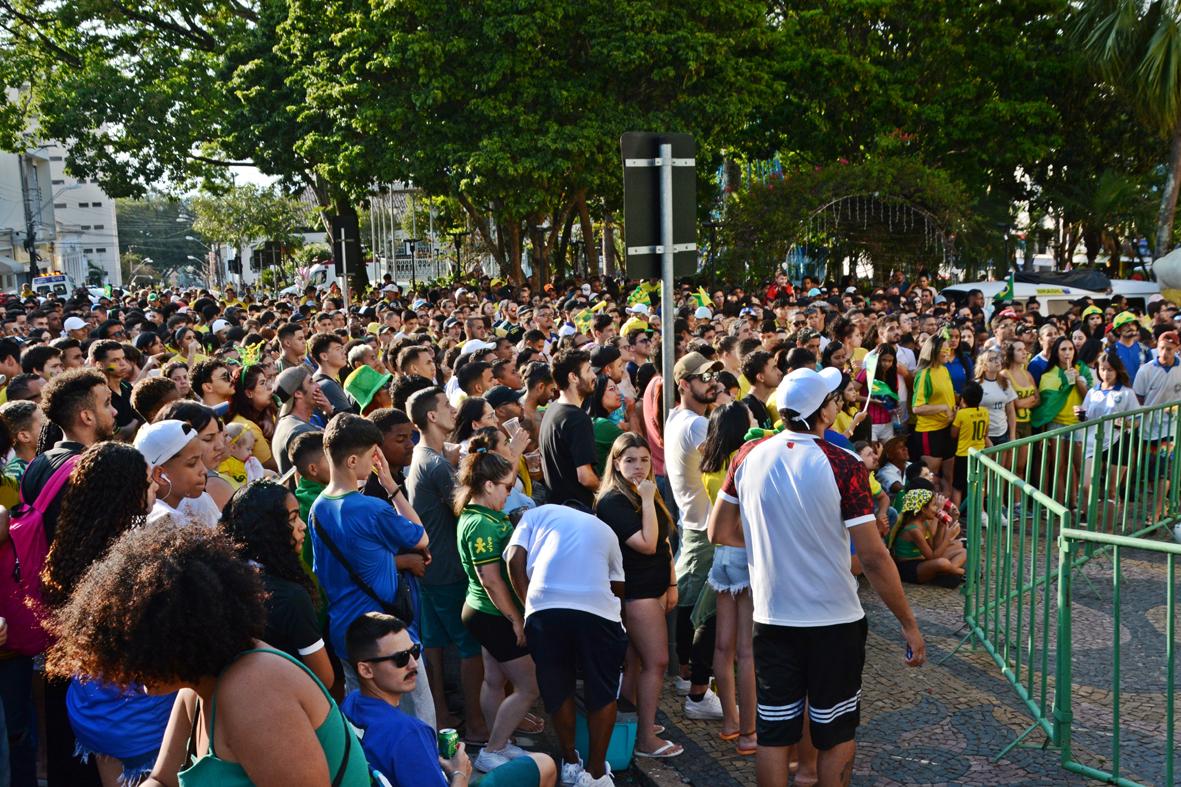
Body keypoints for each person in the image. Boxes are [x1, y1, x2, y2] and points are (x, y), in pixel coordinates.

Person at [708, 367, 925, 787]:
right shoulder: (843, 464)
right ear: (823, 413)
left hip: (772, 617)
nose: (837, 403)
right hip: (833, 620)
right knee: (835, 731)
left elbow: (719, 531)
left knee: (774, 732)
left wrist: (772, 545)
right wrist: (909, 625)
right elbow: (875, 557)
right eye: (832, 398)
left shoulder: (748, 455)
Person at [44, 524, 372, 786]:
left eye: (137, 650)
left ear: (180, 637)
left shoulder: (254, 690)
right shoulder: (197, 686)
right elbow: (162, 779)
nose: (126, 671)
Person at [37, 443, 174, 787]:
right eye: (147, 480)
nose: (156, 485)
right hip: (140, 719)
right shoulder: (135, 563)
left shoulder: (73, 550)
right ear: (125, 492)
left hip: (92, 710)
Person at [342, 613, 556, 787]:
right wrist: (459, 772)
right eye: (400, 658)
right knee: (545, 764)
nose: (414, 665)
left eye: (414, 651)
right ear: (366, 670)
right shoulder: (408, 733)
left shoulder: (350, 704)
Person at [309, 414, 431, 716]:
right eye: (371, 455)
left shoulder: (318, 508)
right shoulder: (372, 509)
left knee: (367, 718)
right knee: (418, 718)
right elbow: (421, 537)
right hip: (388, 637)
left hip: (345, 633)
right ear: (352, 460)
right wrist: (390, 485)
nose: (375, 461)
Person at [504, 505, 629, 787]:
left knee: (558, 686)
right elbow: (618, 587)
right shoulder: (605, 528)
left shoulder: (536, 513)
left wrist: (529, 608)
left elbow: (514, 559)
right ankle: (596, 774)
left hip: (544, 606)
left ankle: (571, 762)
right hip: (598, 609)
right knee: (603, 689)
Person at [404, 387, 489, 743]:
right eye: (445, 405)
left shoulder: (426, 455)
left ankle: (440, 714)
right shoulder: (435, 463)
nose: (454, 409)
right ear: (432, 417)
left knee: (435, 644)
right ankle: (476, 724)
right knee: (470, 649)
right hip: (448, 572)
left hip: (433, 568)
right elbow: (466, 504)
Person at [593, 433, 680, 760]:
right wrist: (646, 499)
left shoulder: (643, 491)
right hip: (636, 593)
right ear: (616, 463)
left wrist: (671, 584)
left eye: (644, 460)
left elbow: (665, 542)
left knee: (637, 662)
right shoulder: (614, 500)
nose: (639, 467)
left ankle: (631, 724)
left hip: (655, 588)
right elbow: (645, 543)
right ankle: (645, 739)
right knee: (656, 661)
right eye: (630, 460)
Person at [453, 449, 540, 773]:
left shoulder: (479, 515)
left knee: (493, 680)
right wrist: (517, 620)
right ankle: (493, 748)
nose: (510, 493)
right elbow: (491, 580)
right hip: (493, 613)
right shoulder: (481, 524)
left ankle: (498, 741)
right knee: (530, 686)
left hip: (483, 611)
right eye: (506, 487)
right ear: (488, 485)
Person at [220, 481, 334, 689]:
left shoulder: (222, 581)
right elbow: (324, 678)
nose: (302, 525)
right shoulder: (290, 597)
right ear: (268, 530)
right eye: (292, 518)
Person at [664, 351, 724, 720]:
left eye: (713, 376)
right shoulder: (696, 426)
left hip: (695, 523)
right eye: (704, 378)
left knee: (689, 601)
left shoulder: (678, 418)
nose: (712, 383)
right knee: (706, 611)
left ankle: (687, 674)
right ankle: (695, 688)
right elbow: (719, 467)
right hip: (705, 526)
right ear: (683, 384)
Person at [699, 402, 759, 757]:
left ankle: (729, 722)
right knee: (747, 651)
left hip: (721, 558)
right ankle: (750, 732)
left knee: (723, 646)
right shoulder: (745, 460)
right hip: (744, 554)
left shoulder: (709, 462)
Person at [538, 349, 598, 508]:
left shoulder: (552, 410)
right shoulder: (577, 419)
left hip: (559, 510)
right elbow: (585, 477)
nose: (594, 376)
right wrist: (609, 490)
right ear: (573, 377)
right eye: (588, 370)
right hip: (578, 511)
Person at [886, 487, 966, 584]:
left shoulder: (924, 523)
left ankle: (948, 572)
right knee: (942, 563)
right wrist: (948, 538)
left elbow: (934, 547)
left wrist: (941, 526)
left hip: (922, 560)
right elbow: (932, 557)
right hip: (910, 568)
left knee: (963, 552)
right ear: (923, 509)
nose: (936, 509)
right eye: (934, 506)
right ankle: (962, 573)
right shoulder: (913, 529)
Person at [909, 333, 956, 494]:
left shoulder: (944, 370)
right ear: (934, 351)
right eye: (944, 349)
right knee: (930, 478)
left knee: (949, 476)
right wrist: (943, 407)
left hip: (948, 429)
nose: (948, 352)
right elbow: (917, 408)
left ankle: (948, 516)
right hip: (930, 431)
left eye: (948, 348)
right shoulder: (924, 375)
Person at [272, 366, 330, 474]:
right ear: (298, 393)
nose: (317, 385)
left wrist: (330, 413)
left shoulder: (290, 423)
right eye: (311, 382)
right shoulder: (299, 431)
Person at [948, 381, 990, 507]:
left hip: (963, 454)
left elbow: (953, 434)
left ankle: (957, 515)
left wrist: (955, 416)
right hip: (980, 453)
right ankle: (979, 512)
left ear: (963, 399)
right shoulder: (985, 411)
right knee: (980, 484)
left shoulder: (961, 414)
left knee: (958, 487)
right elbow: (985, 433)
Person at [310, 333, 361, 415]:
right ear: (324, 356)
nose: (343, 352)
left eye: (342, 348)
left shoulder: (321, 379)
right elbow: (352, 420)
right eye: (338, 349)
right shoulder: (327, 385)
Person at [585, 375, 625, 478]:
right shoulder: (602, 425)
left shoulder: (593, 421)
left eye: (617, 388)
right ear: (598, 395)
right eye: (612, 389)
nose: (619, 393)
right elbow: (637, 446)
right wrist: (633, 413)